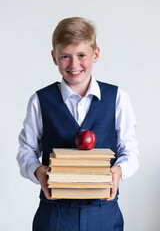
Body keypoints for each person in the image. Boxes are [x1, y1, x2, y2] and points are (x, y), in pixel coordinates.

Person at [17, 17, 139, 231]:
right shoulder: (40, 101)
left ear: (96, 54)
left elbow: (130, 150)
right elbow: (26, 151)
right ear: (54, 57)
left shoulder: (118, 98)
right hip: (55, 215)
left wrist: (119, 170)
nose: (74, 65)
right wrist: (38, 171)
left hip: (103, 213)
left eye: (81, 55)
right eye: (65, 56)